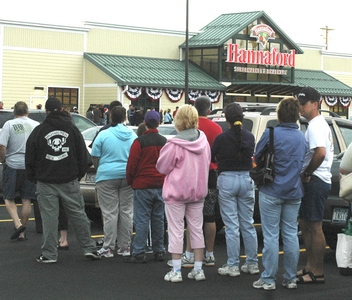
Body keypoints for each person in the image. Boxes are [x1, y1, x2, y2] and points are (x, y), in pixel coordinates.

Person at [25, 97, 101, 263]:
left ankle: (49, 254)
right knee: (78, 215)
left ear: (46, 111)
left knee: (49, 218)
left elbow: (30, 158)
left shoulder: (39, 130)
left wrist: (35, 178)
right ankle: (89, 248)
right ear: (61, 109)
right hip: (69, 180)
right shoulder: (73, 129)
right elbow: (84, 157)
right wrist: (77, 175)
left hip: (45, 181)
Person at [252, 97, 307, 291]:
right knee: (291, 234)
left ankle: (268, 278)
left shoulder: (271, 133)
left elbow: (257, 155)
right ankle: (291, 277)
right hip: (294, 191)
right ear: (297, 115)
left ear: (279, 114)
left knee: (271, 236)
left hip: (271, 190)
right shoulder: (302, 137)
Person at [157, 104, 210, 282]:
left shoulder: (173, 144)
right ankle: (198, 268)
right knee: (196, 229)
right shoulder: (203, 141)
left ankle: (177, 270)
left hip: (176, 193)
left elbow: (162, 167)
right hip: (198, 192)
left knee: (176, 230)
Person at [211, 103, 258, 277]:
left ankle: (233, 265)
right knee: (248, 223)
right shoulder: (249, 137)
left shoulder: (222, 138)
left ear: (227, 119)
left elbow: (212, 155)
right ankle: (252, 263)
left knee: (231, 225)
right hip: (246, 179)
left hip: (227, 179)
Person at [179, 96, 222, 267]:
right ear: (209, 110)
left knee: (193, 217)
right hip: (211, 175)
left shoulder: (191, 129)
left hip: (193, 176)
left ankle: (190, 254)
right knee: (210, 217)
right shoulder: (217, 128)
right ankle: (209, 254)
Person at [296, 87, 333, 284]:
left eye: (304, 104)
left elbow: (320, 153)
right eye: (299, 104)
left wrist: (308, 173)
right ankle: (310, 267)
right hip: (315, 180)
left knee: (314, 226)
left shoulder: (316, 125)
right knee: (307, 225)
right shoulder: (314, 124)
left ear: (315, 104)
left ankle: (317, 271)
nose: (301, 108)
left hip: (316, 180)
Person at [91, 106, 137, 258]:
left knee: (110, 212)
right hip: (127, 176)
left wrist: (100, 169)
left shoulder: (104, 134)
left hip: (107, 175)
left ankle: (109, 247)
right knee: (126, 211)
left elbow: (95, 155)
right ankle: (125, 247)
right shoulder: (132, 135)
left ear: (110, 116)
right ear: (125, 117)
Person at [125, 110, 167, 263]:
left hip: (142, 184)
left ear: (144, 123)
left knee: (142, 219)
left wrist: (131, 181)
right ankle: (159, 250)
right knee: (158, 218)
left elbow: (132, 164)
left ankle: (139, 251)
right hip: (160, 183)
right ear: (159, 123)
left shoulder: (139, 142)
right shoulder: (164, 141)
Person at [0, 101, 39, 241]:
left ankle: (17, 224)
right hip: (28, 165)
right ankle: (22, 231)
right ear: (27, 112)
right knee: (27, 198)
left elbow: (2, 146)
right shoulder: (35, 125)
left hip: (13, 164)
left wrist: (3, 160)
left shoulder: (9, 125)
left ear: (14, 112)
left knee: (8, 198)